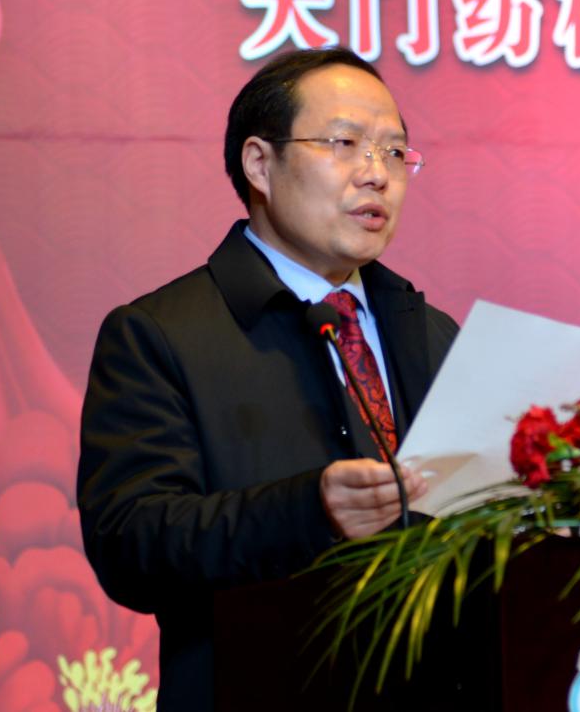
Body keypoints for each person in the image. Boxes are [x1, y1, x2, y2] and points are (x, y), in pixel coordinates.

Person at [77, 48, 467, 710]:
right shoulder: (159, 334)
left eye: (395, 152)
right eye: (345, 144)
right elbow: (130, 543)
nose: (376, 174)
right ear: (260, 164)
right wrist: (308, 511)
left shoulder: (430, 331)